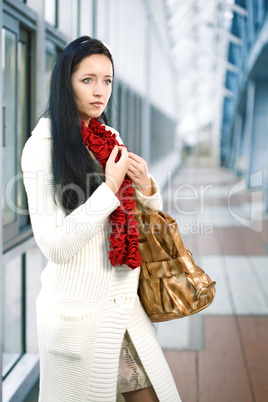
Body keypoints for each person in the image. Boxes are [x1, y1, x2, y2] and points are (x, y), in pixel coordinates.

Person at [21, 36, 181, 402]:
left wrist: (146, 188)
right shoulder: (41, 149)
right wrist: (108, 188)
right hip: (81, 315)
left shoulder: (109, 138)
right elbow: (56, 246)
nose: (100, 91)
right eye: (88, 79)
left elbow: (137, 221)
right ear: (66, 82)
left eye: (107, 80)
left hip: (125, 310)